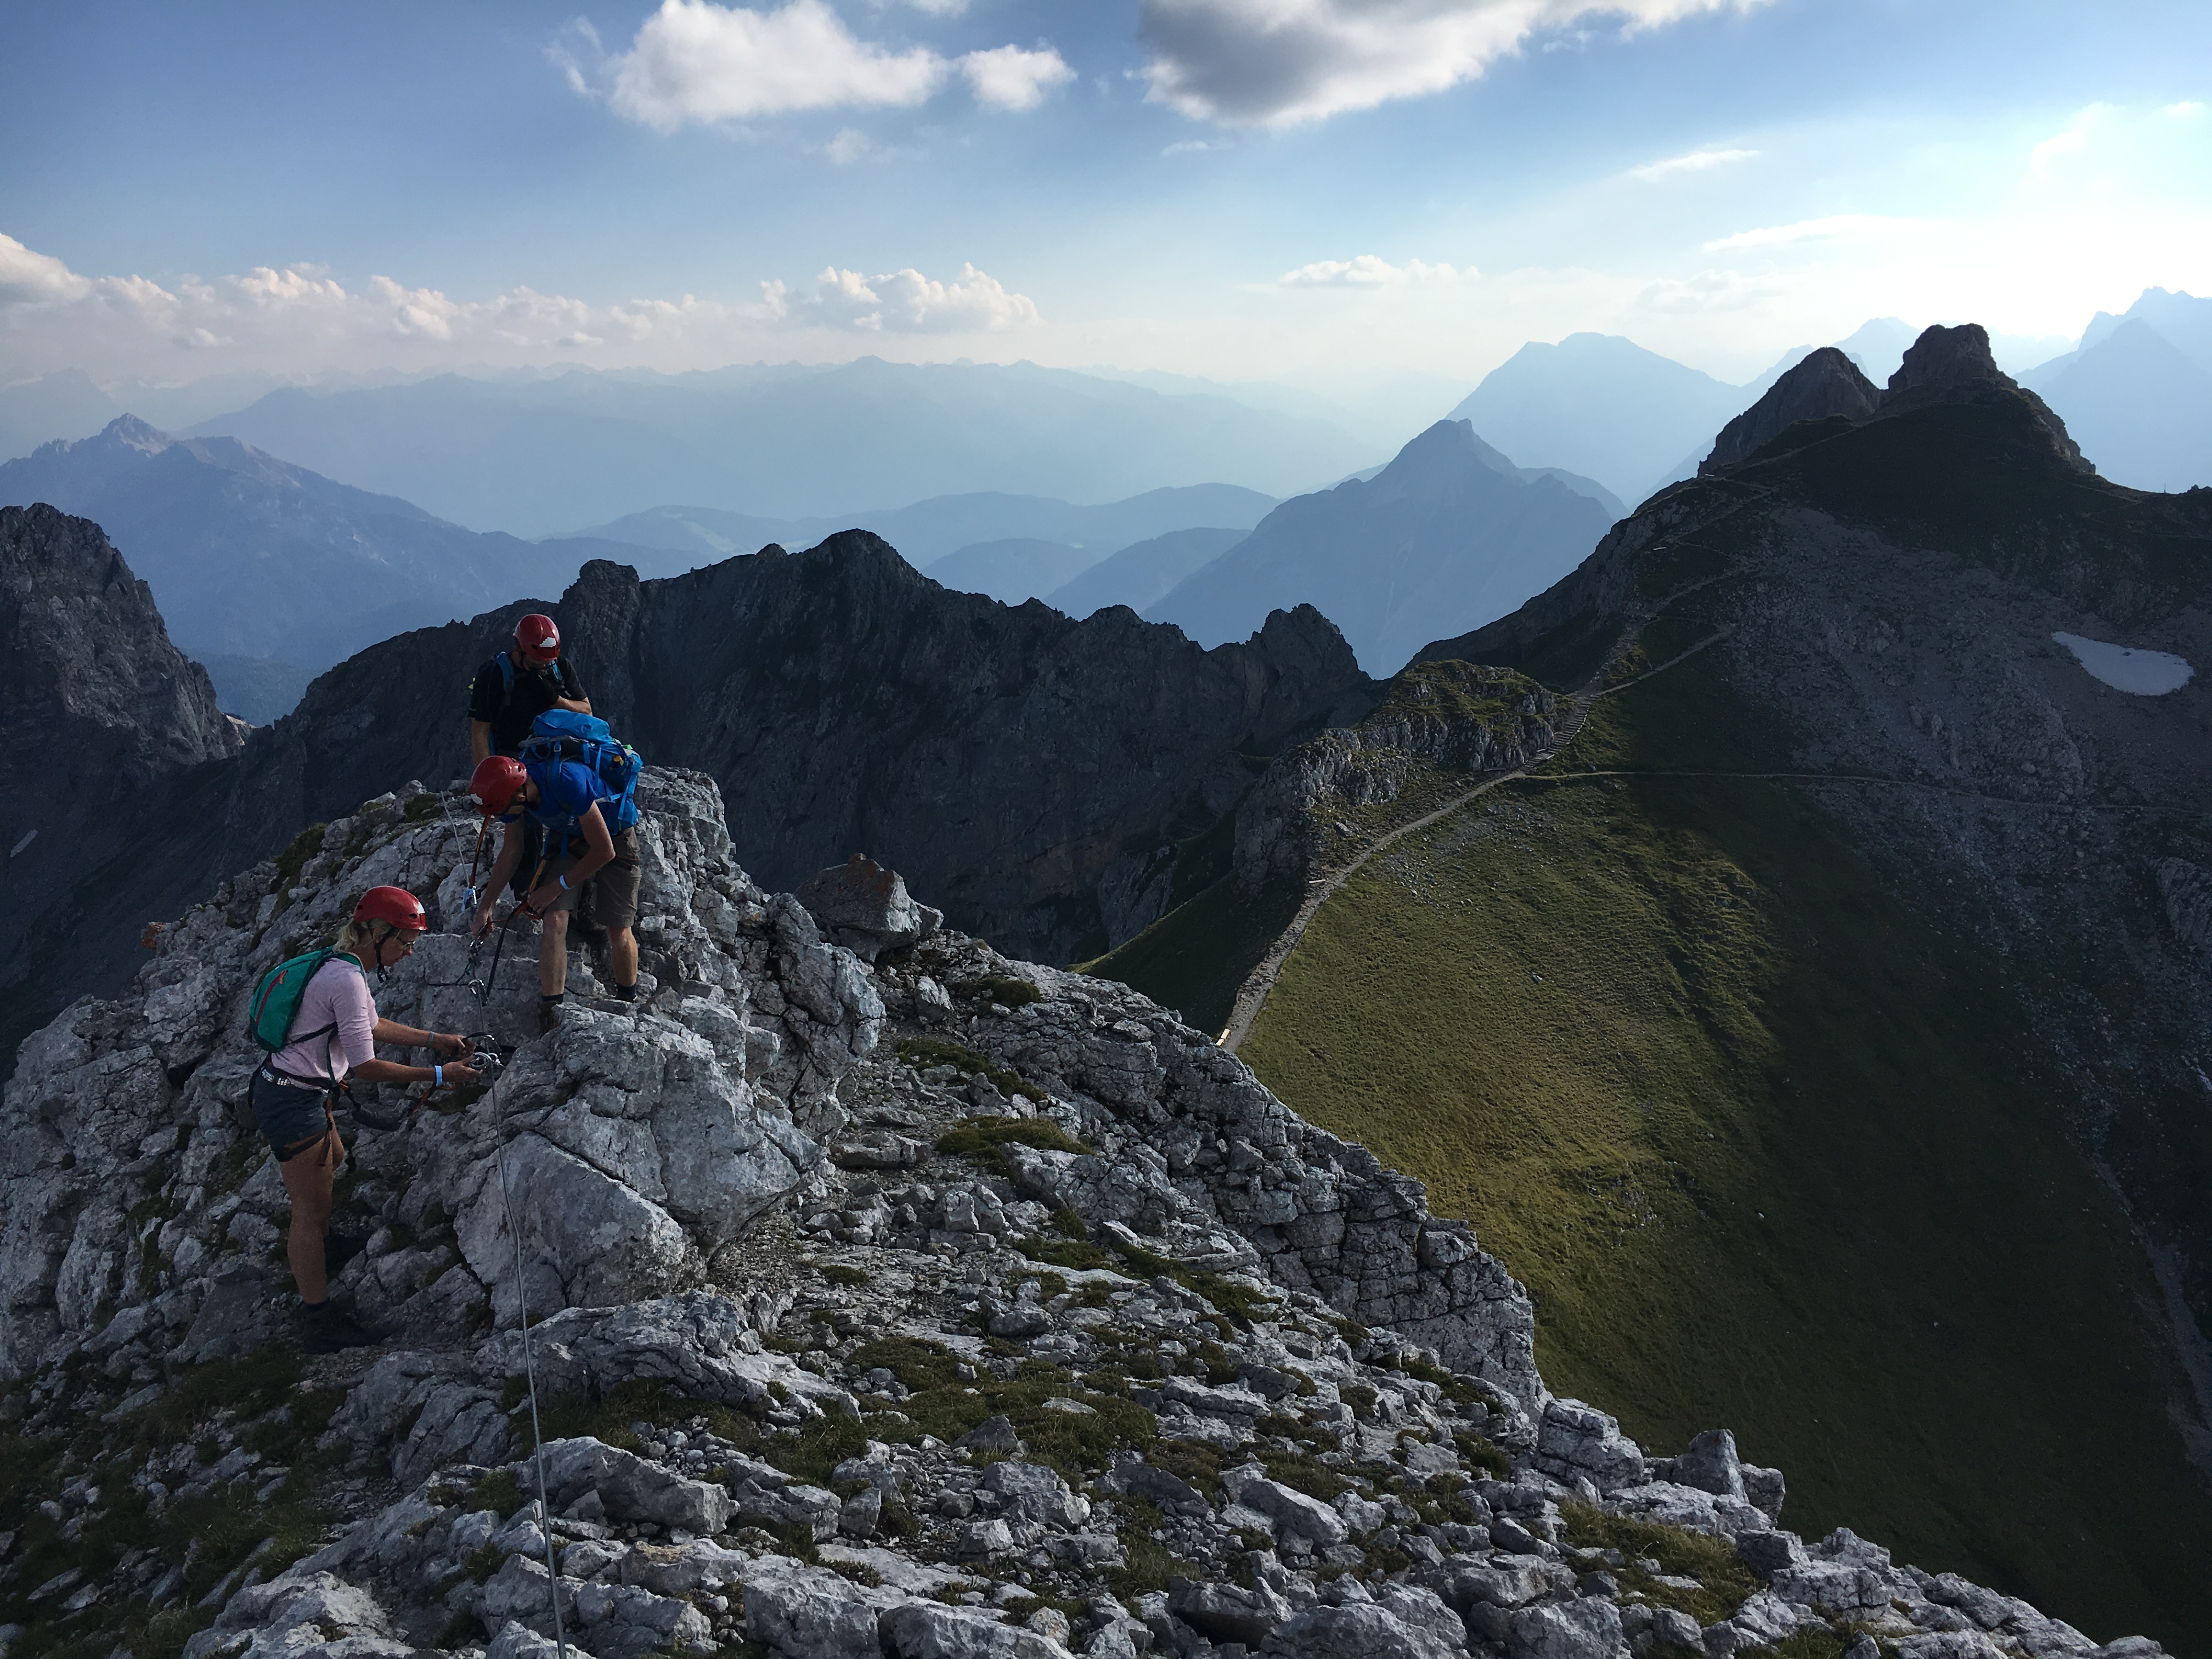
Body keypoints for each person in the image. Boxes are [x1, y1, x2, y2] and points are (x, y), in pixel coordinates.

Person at [248, 887, 478, 1352]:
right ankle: (318, 1320)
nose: (409, 952)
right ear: (377, 934)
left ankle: (325, 1247)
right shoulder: (348, 981)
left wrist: (434, 1039)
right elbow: (366, 1065)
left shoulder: (342, 966)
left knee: (333, 1156)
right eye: (406, 942)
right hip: (293, 1100)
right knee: (308, 1213)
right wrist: (438, 1073)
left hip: (294, 1090)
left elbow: (370, 1025)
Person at [469, 752, 641, 1033]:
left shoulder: (567, 780)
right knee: (554, 920)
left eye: (501, 812)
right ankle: (552, 1012)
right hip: (570, 837)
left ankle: (628, 999)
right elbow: (512, 851)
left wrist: (554, 888)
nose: (501, 818)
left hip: (615, 834)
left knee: (618, 926)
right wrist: (485, 908)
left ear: (520, 797)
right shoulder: (513, 793)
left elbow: (604, 851)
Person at [469, 613, 592, 906]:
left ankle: (567, 884)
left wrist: (556, 700)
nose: (544, 666)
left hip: (557, 759)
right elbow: (479, 733)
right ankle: (526, 892)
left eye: (548, 661)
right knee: (524, 831)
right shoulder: (494, 675)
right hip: (514, 763)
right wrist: (487, 783)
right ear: (518, 647)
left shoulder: (558, 668)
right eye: (538, 662)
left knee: (568, 818)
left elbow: (586, 711)